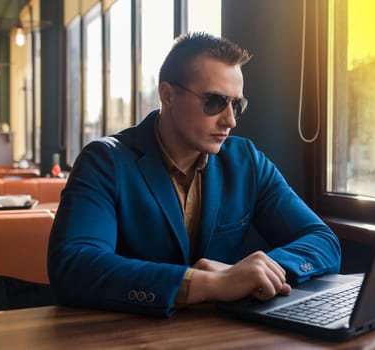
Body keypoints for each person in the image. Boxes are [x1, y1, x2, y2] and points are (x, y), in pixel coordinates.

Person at [47, 32, 341, 317]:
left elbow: (323, 241)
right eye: (214, 102)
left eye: (237, 105)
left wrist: (258, 272)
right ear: (167, 95)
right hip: (124, 334)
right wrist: (208, 284)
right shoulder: (105, 160)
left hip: (220, 335)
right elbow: (75, 265)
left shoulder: (245, 161)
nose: (230, 120)